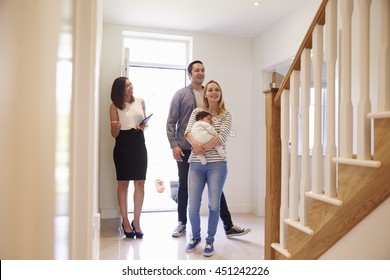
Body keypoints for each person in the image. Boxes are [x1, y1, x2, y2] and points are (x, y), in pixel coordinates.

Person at [166, 60, 250, 239]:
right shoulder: (181, 95)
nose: (200, 73)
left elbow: (221, 129)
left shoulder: (209, 93)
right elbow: (171, 122)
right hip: (186, 148)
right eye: (196, 70)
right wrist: (174, 145)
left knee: (216, 190)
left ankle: (228, 226)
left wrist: (205, 146)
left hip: (211, 153)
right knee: (184, 187)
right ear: (189, 74)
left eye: (202, 70)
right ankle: (182, 223)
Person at [184, 80, 231, 256]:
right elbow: (188, 132)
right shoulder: (197, 112)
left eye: (217, 89)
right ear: (205, 94)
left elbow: (222, 138)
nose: (213, 92)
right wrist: (195, 145)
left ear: (220, 94)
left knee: (213, 205)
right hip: (196, 164)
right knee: (193, 205)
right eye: (210, 90)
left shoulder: (226, 115)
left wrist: (201, 148)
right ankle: (195, 236)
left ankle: (210, 241)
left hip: (217, 165)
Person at [110, 77, 148, 239]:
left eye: (131, 83)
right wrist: (115, 127)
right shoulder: (114, 106)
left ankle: (136, 221)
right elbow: (113, 135)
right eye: (126, 85)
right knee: (123, 184)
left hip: (139, 143)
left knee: (140, 183)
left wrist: (143, 126)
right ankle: (125, 221)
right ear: (119, 89)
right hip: (122, 144)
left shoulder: (140, 101)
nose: (130, 86)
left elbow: (145, 124)